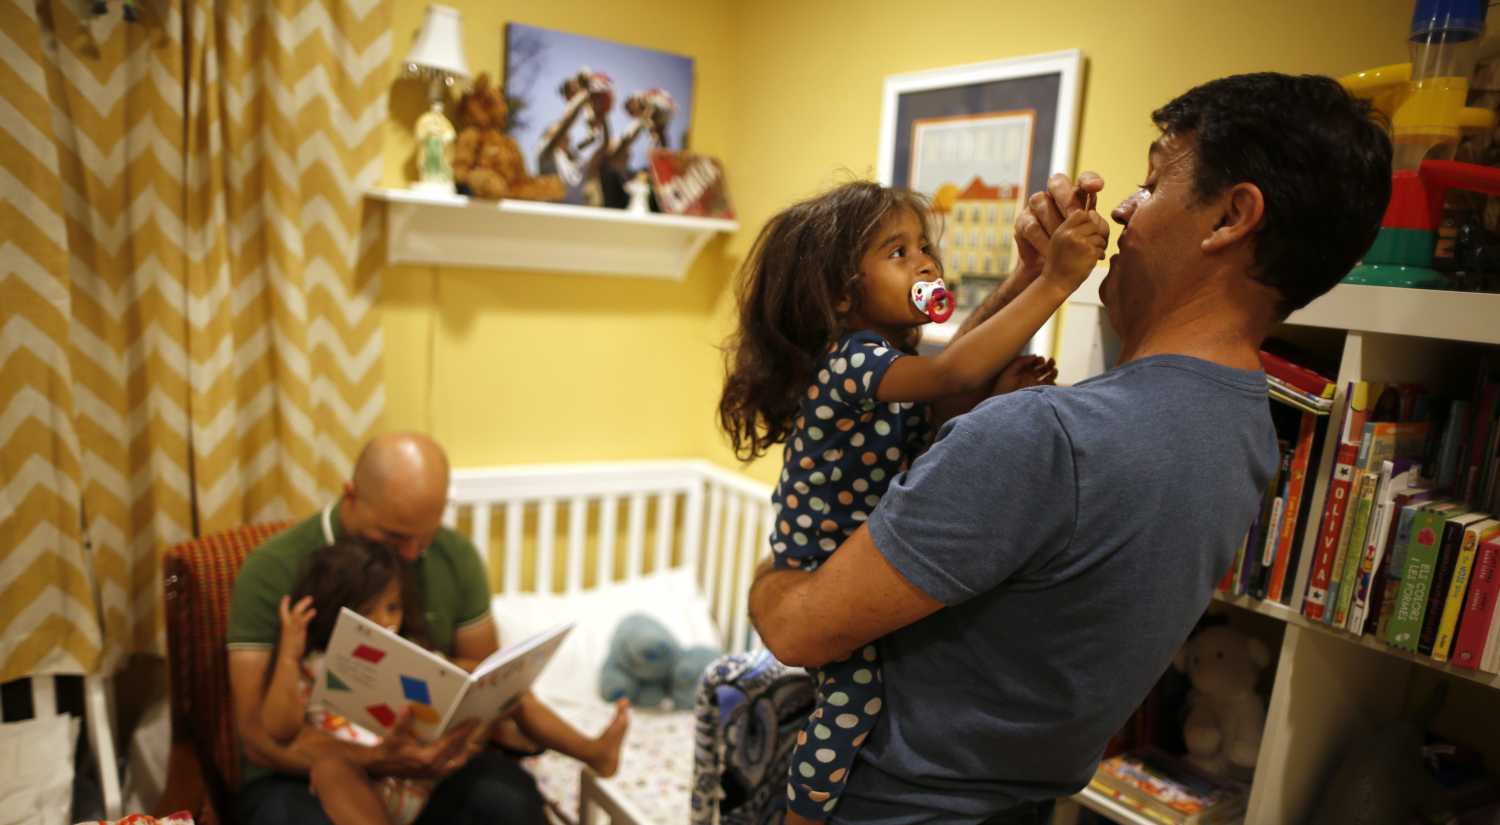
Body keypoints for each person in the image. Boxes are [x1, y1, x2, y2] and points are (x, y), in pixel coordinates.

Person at [747, 72, 1392, 824]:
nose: (1122, 208)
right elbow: (945, 388)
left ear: (1230, 216)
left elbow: (795, 629)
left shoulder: (1043, 440)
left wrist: (778, 571)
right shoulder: (1247, 427)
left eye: (1151, 186)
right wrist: (1029, 274)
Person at [718, 180, 1106, 822]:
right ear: (843, 293)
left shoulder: (892, 361)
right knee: (854, 694)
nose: (926, 263)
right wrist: (1054, 283)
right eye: (897, 253)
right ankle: (803, 812)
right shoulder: (852, 360)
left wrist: (995, 392)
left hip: (849, 542)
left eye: (923, 247)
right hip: (817, 556)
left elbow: (939, 410)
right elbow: (954, 373)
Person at [227, 432, 628, 825]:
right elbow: (259, 737)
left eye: (426, 535)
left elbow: (485, 691)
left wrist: (455, 742)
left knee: (508, 801)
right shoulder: (274, 568)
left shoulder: (452, 555)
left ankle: (592, 751)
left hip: (433, 768)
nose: (412, 553)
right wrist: (376, 759)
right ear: (351, 496)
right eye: (395, 536)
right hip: (303, 774)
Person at [259, 537, 630, 825]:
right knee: (329, 768)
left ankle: (593, 751)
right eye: (366, 611)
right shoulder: (314, 666)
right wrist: (290, 654)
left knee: (505, 691)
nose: (384, 622)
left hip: (426, 785)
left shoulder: (408, 655)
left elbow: (449, 682)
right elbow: (278, 727)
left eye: (392, 607)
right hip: (365, 792)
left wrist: (485, 683)